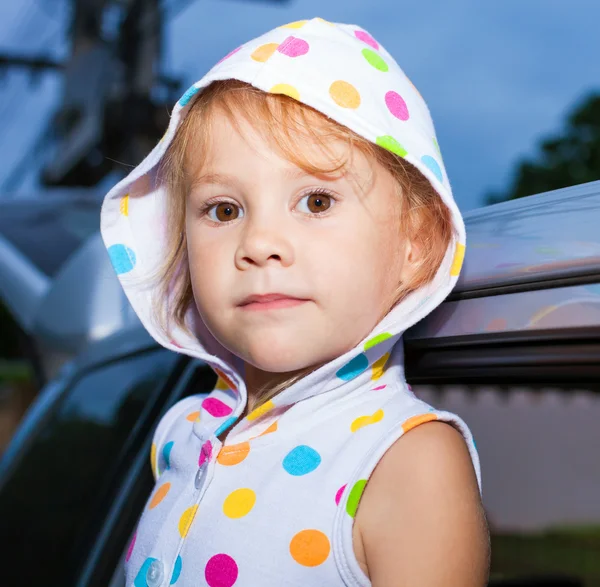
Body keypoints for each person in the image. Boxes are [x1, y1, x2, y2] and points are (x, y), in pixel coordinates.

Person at [101, 16, 490, 587]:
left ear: (415, 245)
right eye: (224, 210)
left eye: (315, 201)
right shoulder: (182, 433)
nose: (258, 244)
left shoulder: (406, 463)